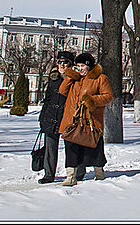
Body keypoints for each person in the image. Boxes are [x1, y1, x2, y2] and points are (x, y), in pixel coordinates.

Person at [58, 52, 113, 186]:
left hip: (90, 121)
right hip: (72, 120)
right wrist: (69, 76)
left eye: (82, 66)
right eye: (77, 66)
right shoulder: (74, 79)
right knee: (70, 148)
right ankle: (70, 177)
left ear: (89, 66)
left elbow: (108, 97)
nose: (79, 69)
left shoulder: (100, 78)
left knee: (95, 148)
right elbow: (62, 91)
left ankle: (99, 173)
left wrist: (92, 100)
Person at [37, 50, 74, 184]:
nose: (62, 65)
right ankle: (49, 174)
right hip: (51, 117)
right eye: (59, 62)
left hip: (67, 117)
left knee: (71, 147)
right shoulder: (53, 78)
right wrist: (43, 116)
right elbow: (47, 99)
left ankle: (75, 172)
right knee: (50, 147)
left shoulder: (74, 79)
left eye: (65, 62)